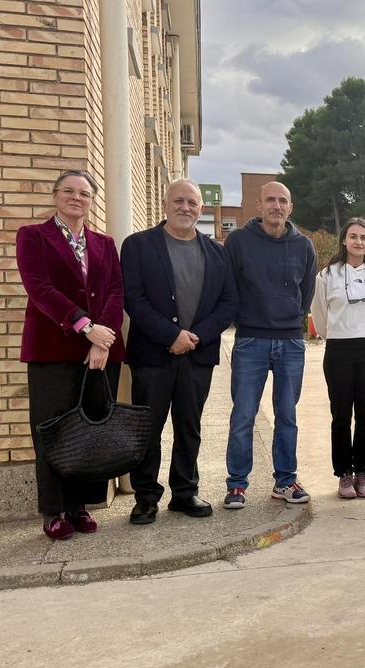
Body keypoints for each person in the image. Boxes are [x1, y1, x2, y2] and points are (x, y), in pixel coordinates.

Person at [121, 179, 238, 525]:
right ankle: (145, 498)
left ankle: (185, 491)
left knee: (189, 426)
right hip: (153, 355)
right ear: (165, 204)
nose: (185, 208)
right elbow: (133, 297)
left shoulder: (218, 253)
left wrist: (196, 336)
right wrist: (170, 335)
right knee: (149, 428)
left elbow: (229, 302)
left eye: (192, 203)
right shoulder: (139, 246)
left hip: (197, 356)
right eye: (178, 201)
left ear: (201, 209)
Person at [16, 169, 125, 540]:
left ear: (92, 201)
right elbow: (40, 288)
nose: (76, 198)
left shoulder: (104, 243)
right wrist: (84, 325)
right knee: (52, 430)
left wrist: (100, 340)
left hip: (100, 352)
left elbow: (114, 292)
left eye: (84, 193)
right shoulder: (33, 237)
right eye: (68, 191)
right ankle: (53, 510)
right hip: (53, 350)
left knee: (88, 429)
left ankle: (79, 506)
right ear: (55, 196)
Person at [222, 181, 318, 509]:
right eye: (271, 200)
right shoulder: (238, 242)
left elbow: (305, 294)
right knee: (243, 414)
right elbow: (229, 289)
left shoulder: (304, 246)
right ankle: (237, 484)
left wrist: (290, 319)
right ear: (259, 205)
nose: (277, 206)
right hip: (251, 340)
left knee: (287, 415)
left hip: (290, 341)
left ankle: (286, 481)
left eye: (283, 201)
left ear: (290, 207)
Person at [311, 217, 365, 499]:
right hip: (339, 349)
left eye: (364, 238)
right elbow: (319, 314)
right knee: (341, 415)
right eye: (354, 236)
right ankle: (344, 473)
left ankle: (363, 472)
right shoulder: (327, 275)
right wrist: (333, 335)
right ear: (344, 240)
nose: (359, 242)